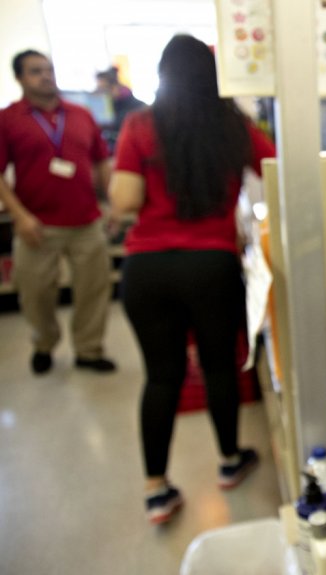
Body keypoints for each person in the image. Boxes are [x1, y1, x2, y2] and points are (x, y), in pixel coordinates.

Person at [109, 34, 276, 525]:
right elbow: (276, 169)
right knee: (219, 367)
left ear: (163, 75)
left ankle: (156, 488)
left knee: (162, 376)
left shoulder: (139, 124)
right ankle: (229, 461)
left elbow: (124, 201)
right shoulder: (233, 126)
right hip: (212, 265)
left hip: (148, 269)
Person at [0, 49, 117, 375]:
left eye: (49, 69)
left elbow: (100, 161)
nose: (46, 76)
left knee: (94, 290)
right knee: (35, 294)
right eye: (36, 71)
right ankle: (44, 343)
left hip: (86, 221)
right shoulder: (8, 119)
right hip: (36, 225)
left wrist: (110, 202)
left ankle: (88, 350)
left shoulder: (80, 114)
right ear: (20, 78)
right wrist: (20, 217)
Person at [95, 66, 146, 152]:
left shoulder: (137, 108)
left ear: (115, 87)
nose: (100, 93)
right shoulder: (111, 105)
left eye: (103, 90)